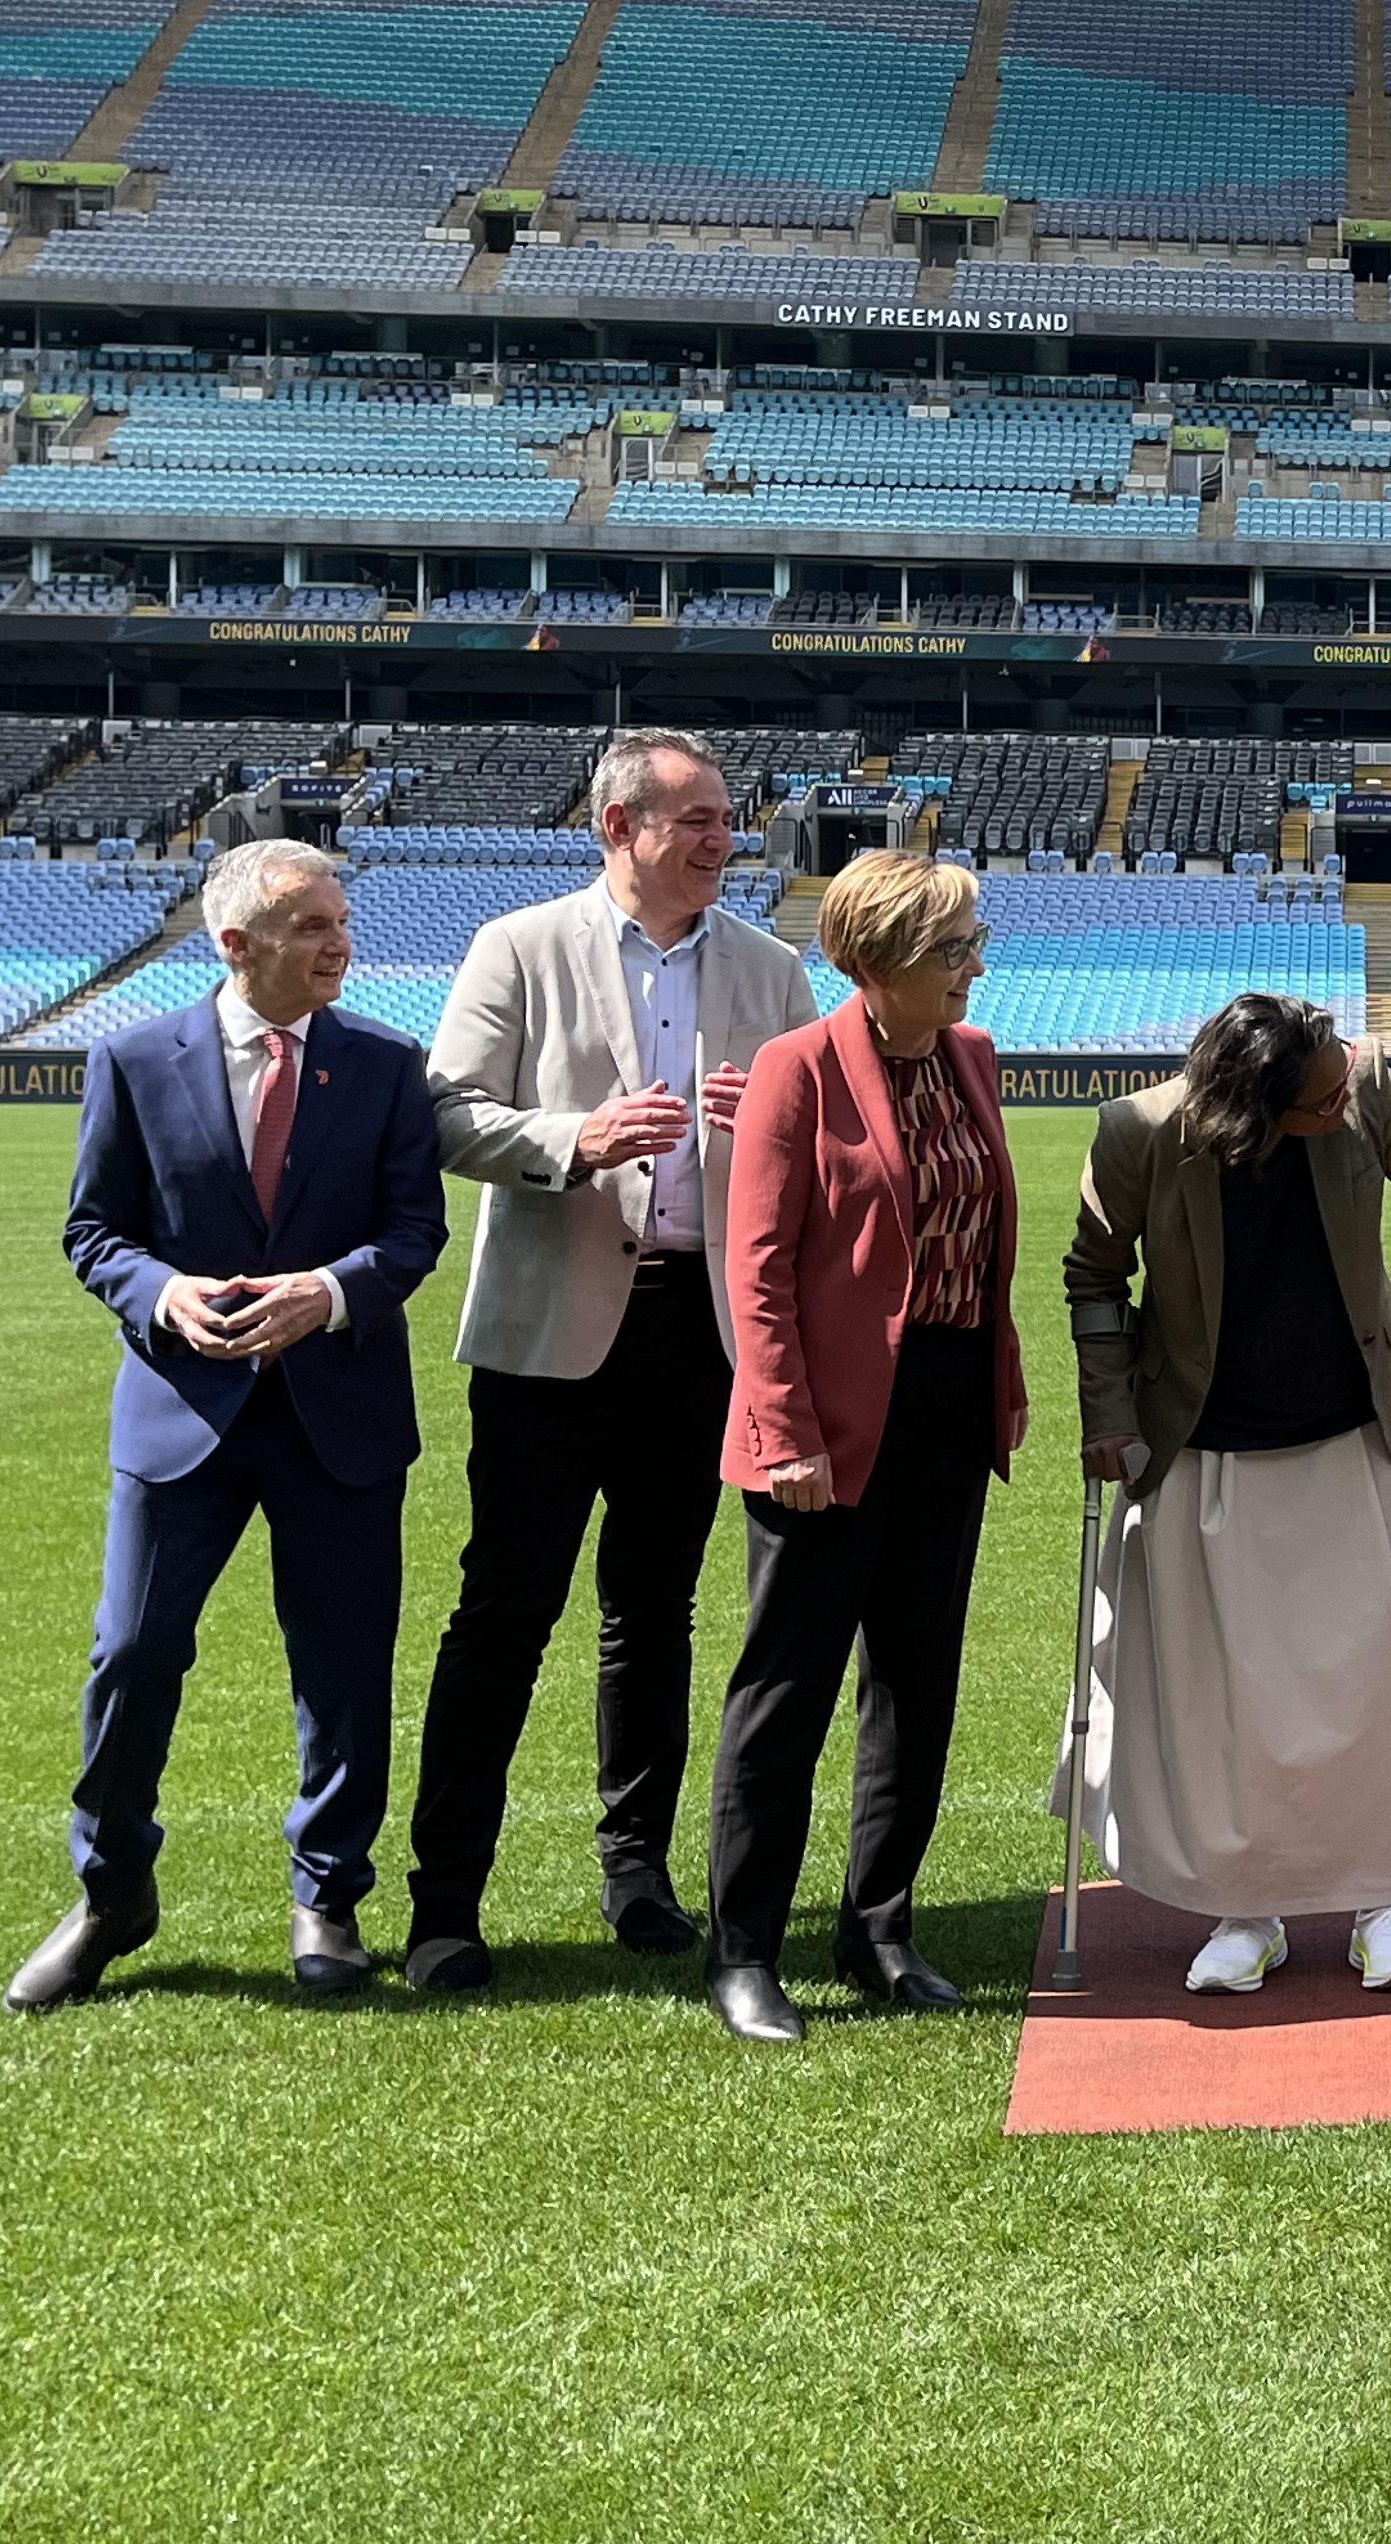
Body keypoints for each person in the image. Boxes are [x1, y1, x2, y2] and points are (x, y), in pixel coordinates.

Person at [1060, 991, 1391, 1996]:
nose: (1337, 1105)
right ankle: (1245, 1908)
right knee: (1230, 1704)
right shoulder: (1136, 1132)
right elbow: (1095, 1274)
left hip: (1354, 1439)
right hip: (1205, 1451)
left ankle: (1385, 1905)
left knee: (1372, 1692)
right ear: (1249, 1115)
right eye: (1314, 1104)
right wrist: (1109, 1416)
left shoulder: (1364, 1088)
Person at [402, 728, 817, 1992]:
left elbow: (825, 1144)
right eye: (694, 819)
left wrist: (779, 1130)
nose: (721, 840)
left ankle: (638, 1875)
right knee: (505, 1611)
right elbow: (444, 1112)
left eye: (726, 818)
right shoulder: (518, 947)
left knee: (654, 1612)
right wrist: (573, 1137)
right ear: (617, 826)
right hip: (549, 1335)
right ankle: (444, 1905)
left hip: (702, 1330)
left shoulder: (773, 965)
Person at [9, 840, 446, 2011]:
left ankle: (329, 1898)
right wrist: (161, 1292)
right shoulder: (133, 1060)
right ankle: (111, 1893)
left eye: (340, 920)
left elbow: (415, 1235)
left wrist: (330, 1291)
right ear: (235, 942)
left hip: (338, 1416)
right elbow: (94, 1232)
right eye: (310, 926)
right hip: (179, 1416)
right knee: (132, 1654)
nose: (338, 944)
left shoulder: (389, 1065)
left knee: (344, 1672)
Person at [700, 850, 1027, 2045]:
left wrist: (1004, 1374)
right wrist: (784, 1431)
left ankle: (879, 1926)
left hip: (944, 1408)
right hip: (823, 1429)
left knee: (916, 1680)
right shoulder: (797, 1071)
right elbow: (763, 1273)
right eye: (953, 950)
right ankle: (743, 1952)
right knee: (784, 1692)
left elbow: (980, 1244)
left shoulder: (974, 1061)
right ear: (878, 960)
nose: (974, 969)